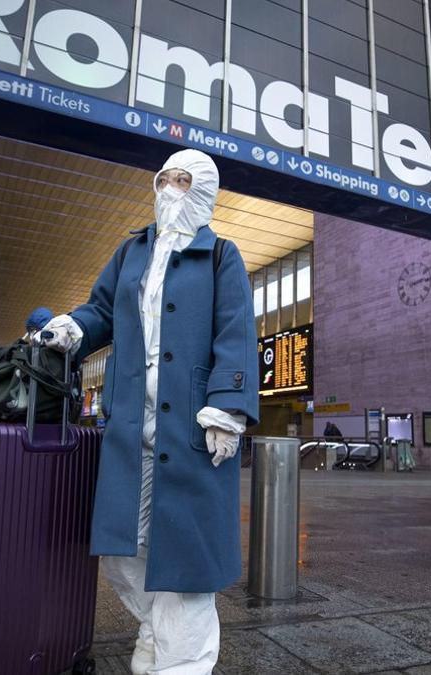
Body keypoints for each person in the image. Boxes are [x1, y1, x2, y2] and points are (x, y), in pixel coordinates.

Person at [41, 149, 258, 674]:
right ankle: (155, 631)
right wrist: (75, 327)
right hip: (130, 421)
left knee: (184, 561)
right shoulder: (131, 251)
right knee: (122, 550)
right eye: (164, 179)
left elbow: (236, 331)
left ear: (203, 190)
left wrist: (228, 408)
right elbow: (100, 309)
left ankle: (180, 664)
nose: (170, 189)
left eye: (183, 181)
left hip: (190, 426)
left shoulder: (221, 255)